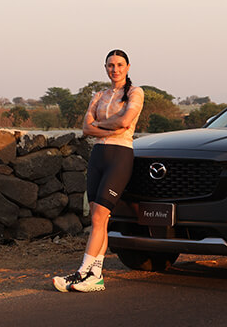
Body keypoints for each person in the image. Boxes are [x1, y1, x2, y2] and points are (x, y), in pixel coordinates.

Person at [53, 49, 144, 292]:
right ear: (105, 68)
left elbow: (125, 122)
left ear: (128, 66)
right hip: (98, 156)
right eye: (110, 65)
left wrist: (99, 126)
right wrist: (106, 128)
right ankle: (96, 275)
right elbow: (85, 128)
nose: (115, 69)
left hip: (120, 155)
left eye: (119, 64)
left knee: (98, 217)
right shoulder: (99, 95)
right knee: (97, 218)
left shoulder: (135, 92)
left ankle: (82, 273)